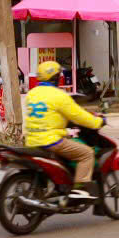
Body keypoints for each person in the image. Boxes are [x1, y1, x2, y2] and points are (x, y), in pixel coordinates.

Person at [25, 60, 106, 202]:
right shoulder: (59, 95)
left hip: (32, 140)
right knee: (87, 153)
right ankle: (80, 189)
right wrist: (98, 122)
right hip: (51, 140)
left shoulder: (32, 94)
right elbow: (78, 116)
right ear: (56, 78)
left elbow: (48, 115)